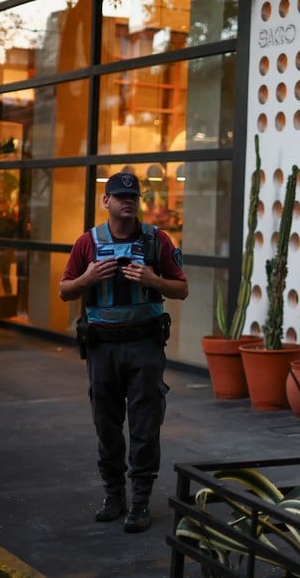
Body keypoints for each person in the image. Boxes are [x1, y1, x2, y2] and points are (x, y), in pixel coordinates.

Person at [59, 172, 188, 533]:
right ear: (106, 201)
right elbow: (64, 290)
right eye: (119, 196)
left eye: (133, 196)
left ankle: (141, 502)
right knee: (107, 424)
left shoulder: (156, 240)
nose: (127, 201)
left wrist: (153, 281)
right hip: (103, 348)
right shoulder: (88, 243)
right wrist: (88, 279)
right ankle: (114, 496)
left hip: (144, 346)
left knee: (146, 425)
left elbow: (182, 289)